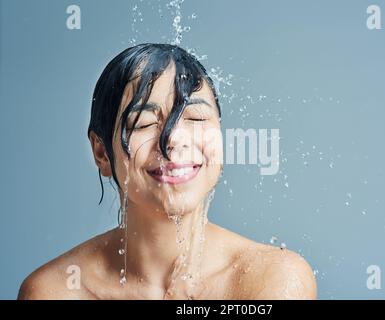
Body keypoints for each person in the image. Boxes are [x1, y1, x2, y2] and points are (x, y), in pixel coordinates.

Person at [18, 43, 316, 300]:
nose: (173, 139)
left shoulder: (270, 280)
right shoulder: (56, 290)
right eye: (143, 123)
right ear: (101, 153)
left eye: (196, 117)